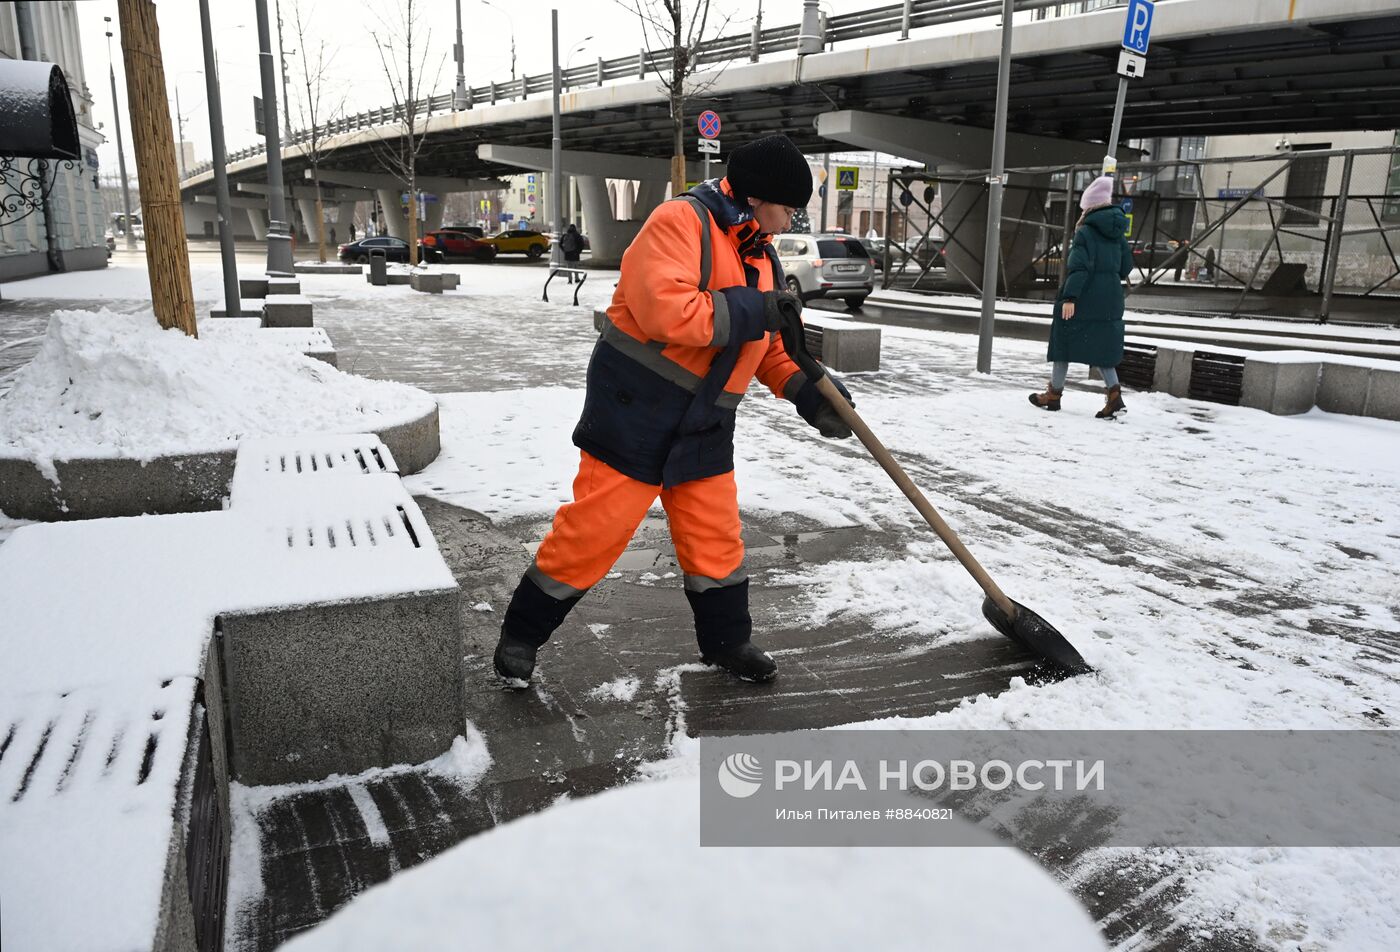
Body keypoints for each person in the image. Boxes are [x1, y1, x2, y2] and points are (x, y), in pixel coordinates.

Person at [492, 133, 854, 687]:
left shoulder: (760, 251)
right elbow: (668, 312)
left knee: (715, 537)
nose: (792, 221)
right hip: (636, 411)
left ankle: (727, 643)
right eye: (788, 208)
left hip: (706, 421)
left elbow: (773, 347)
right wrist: (757, 309)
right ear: (757, 197)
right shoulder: (679, 222)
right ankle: (521, 636)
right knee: (594, 533)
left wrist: (811, 393)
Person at [1029, 174, 1133, 419]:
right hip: (1110, 297)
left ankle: (1053, 395)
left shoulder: (1086, 232)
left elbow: (1079, 268)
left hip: (1085, 295)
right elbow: (1126, 267)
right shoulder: (1118, 233)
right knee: (1103, 349)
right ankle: (1114, 397)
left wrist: (1069, 298)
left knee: (1062, 340)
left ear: (1089, 207)